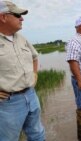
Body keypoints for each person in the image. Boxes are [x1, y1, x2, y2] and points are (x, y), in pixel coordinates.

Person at [0, 1, 45, 141]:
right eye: (17, 15)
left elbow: (34, 57)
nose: (22, 18)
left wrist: (35, 74)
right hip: (8, 103)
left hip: (31, 96)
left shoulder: (22, 39)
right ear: (3, 17)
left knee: (37, 135)